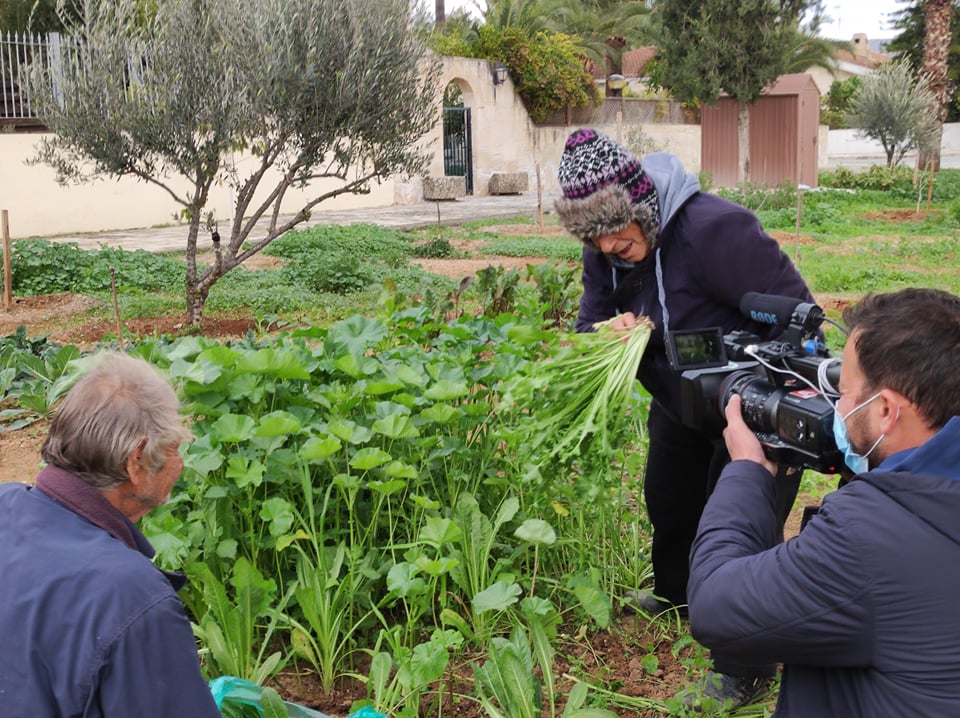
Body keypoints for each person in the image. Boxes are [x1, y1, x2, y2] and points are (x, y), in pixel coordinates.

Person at [553, 127, 817, 707]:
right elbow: (586, 325)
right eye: (593, 242)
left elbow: (798, 312)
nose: (606, 252)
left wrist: (772, 395)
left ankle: (746, 666)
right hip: (679, 398)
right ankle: (679, 595)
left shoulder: (713, 229)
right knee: (668, 501)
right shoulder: (605, 250)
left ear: (642, 208)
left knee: (745, 523)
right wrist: (605, 332)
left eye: (615, 240)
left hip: (748, 403)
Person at [688, 287, 960, 716]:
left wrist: (747, 471)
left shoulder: (866, 539)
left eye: (846, 393)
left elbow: (713, 604)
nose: (838, 406)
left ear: (887, 410)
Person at [0, 352, 221, 718]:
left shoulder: (4, 503)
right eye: (175, 447)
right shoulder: (135, 600)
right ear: (136, 462)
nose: (181, 462)